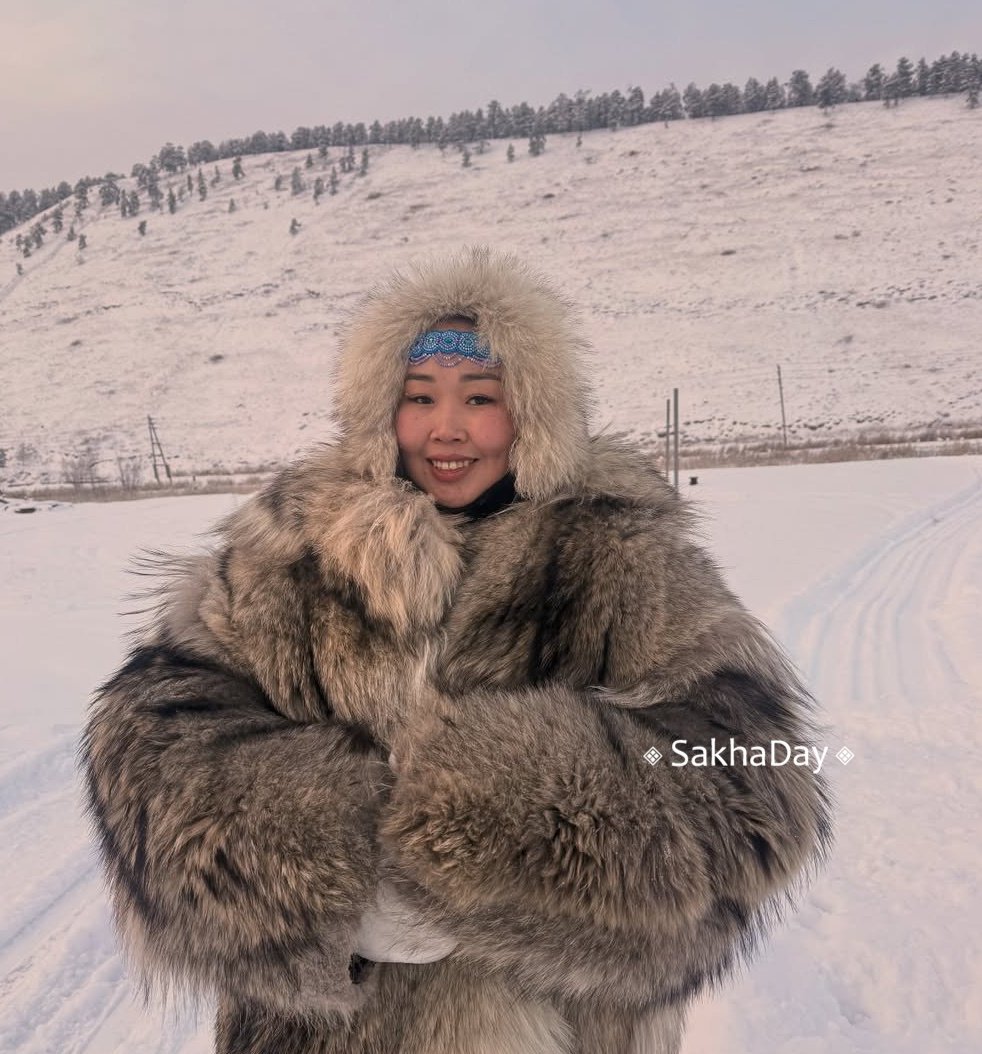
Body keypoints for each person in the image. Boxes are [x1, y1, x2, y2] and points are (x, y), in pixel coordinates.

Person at [82, 247, 831, 1054]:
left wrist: (487, 835)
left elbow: (755, 778)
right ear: (378, 411)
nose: (447, 428)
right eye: (417, 398)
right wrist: (321, 872)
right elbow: (150, 741)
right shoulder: (291, 550)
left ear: (532, 413)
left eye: (481, 397)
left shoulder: (622, 553)